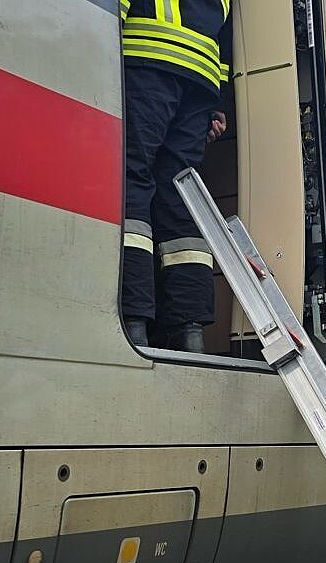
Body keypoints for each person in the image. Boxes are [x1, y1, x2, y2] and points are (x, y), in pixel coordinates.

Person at [119, 0, 233, 352]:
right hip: (201, 76)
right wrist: (217, 101)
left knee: (132, 177)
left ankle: (132, 318)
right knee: (181, 197)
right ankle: (189, 330)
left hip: (146, 56)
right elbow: (226, 30)